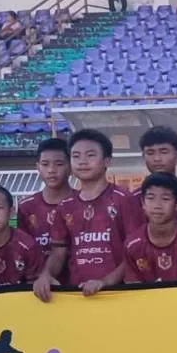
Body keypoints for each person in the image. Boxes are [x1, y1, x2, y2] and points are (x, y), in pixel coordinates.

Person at [34, 129, 141, 301]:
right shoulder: (65, 206)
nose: (82, 161)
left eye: (90, 155)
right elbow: (58, 252)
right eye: (76, 156)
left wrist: (106, 282)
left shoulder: (124, 200)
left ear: (107, 161)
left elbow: (135, 252)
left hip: (118, 294)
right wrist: (46, 274)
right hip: (78, 296)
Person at [19, 137, 72, 258]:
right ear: (37, 167)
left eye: (59, 164)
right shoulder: (26, 207)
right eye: (45, 164)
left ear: (71, 166)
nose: (51, 170)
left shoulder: (83, 203)